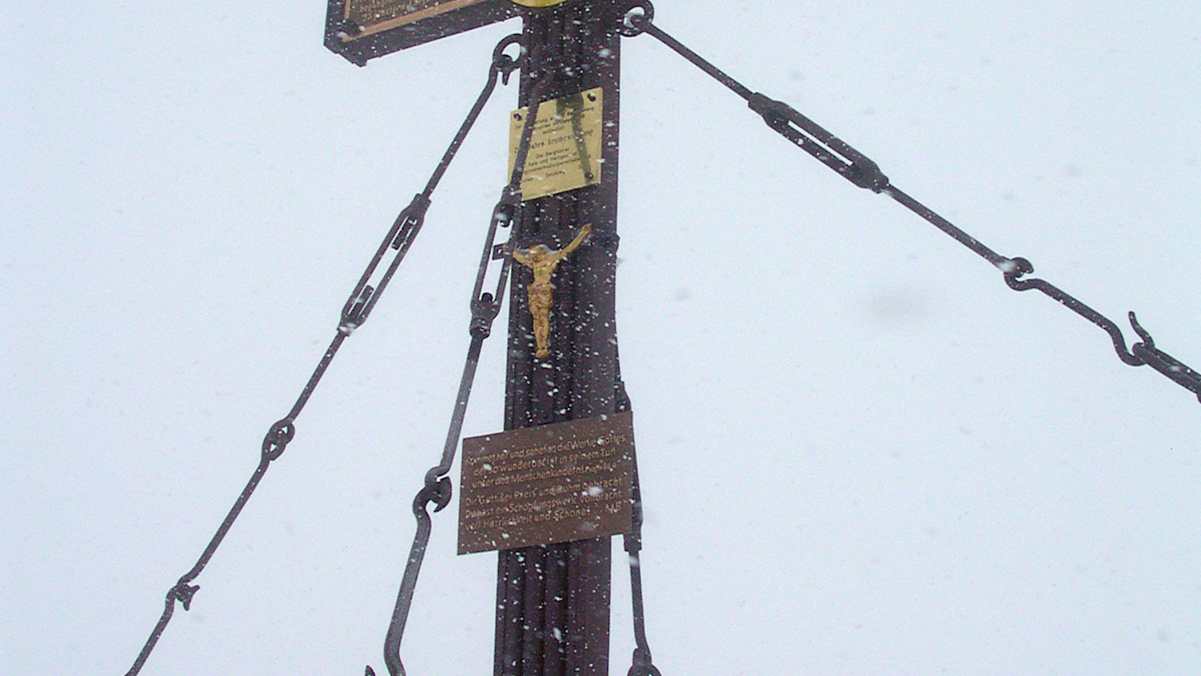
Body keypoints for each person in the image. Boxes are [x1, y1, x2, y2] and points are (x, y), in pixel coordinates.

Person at [512, 223, 593, 358]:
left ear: (540, 251)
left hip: (543, 290)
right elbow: (519, 257)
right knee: (537, 319)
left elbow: (568, 249)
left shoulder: (550, 259)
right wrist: (510, 250)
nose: (532, 254)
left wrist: (582, 234)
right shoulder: (533, 263)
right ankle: (540, 345)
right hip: (534, 292)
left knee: (543, 318)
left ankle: (543, 345)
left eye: (534, 251)